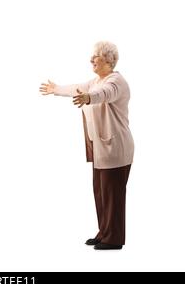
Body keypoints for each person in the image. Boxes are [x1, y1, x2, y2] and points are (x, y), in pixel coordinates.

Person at [39, 41, 134, 250]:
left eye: (96, 56)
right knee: (101, 192)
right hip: (102, 149)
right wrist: (56, 89)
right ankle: (104, 233)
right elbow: (76, 88)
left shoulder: (115, 81)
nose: (92, 60)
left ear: (108, 60)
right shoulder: (95, 81)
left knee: (113, 195)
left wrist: (89, 98)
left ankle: (114, 239)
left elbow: (105, 94)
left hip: (115, 150)